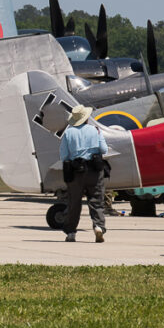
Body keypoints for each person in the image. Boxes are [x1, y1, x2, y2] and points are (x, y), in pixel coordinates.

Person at [59, 104, 109, 242]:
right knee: (96, 200)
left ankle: (71, 232)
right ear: (86, 118)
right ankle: (98, 227)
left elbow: (63, 156)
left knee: (74, 202)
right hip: (94, 169)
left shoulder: (68, 133)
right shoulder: (95, 131)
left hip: (75, 171)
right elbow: (104, 149)